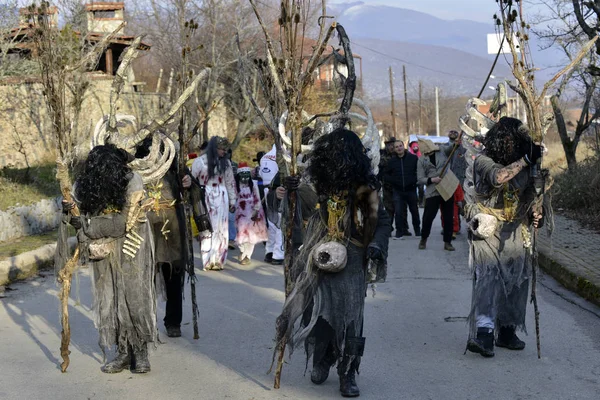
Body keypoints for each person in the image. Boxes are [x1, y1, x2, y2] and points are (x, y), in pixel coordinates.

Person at [273, 128, 391, 398]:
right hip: (316, 258)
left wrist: (375, 246)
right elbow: (292, 213)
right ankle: (322, 359)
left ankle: (348, 372)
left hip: (352, 260)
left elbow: (381, 222)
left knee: (350, 318)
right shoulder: (314, 188)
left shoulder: (365, 190)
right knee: (317, 314)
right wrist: (288, 193)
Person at [58, 144, 156, 373]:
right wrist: (69, 209)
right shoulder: (86, 183)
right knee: (109, 298)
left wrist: (89, 226)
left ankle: (140, 352)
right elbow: (77, 213)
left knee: (134, 296)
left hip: (132, 246)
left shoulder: (132, 180)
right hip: (103, 248)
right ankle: (122, 352)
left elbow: (124, 222)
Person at [465, 117, 545, 358]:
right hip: (487, 226)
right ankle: (485, 333)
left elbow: (531, 190)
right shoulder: (483, 160)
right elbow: (499, 177)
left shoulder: (525, 164)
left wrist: (535, 210)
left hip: (515, 227)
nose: (516, 144)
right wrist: (527, 159)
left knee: (518, 280)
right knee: (489, 278)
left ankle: (508, 330)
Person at [136, 136, 187, 339]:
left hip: (172, 228)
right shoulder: (137, 172)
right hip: (146, 228)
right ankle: (144, 322)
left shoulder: (175, 169)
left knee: (173, 276)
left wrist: (188, 183)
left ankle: (173, 321)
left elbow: (193, 192)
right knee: (143, 278)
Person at [191, 136, 237, 270]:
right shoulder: (199, 162)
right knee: (206, 227)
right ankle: (207, 260)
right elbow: (193, 181)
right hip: (205, 194)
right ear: (213, 148)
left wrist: (233, 200)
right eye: (221, 149)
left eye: (225, 149)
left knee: (221, 229)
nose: (223, 151)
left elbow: (230, 182)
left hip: (222, 196)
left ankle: (218, 259)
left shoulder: (226, 163)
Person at [417, 137, 457, 251]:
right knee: (428, 217)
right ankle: (423, 238)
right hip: (432, 191)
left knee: (448, 217)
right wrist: (432, 180)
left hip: (447, 188)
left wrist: (456, 144)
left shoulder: (442, 150)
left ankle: (447, 242)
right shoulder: (421, 160)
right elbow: (420, 179)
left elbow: (451, 147)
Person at [384, 139, 421, 239]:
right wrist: (394, 181)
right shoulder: (392, 161)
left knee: (414, 211)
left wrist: (414, 180)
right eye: (396, 147)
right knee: (398, 212)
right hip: (398, 190)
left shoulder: (413, 158)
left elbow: (419, 171)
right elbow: (385, 175)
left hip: (411, 189)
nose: (399, 148)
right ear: (394, 149)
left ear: (403, 146)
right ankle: (399, 233)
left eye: (400, 146)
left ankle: (417, 231)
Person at [234, 162, 268, 265]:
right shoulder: (235, 184)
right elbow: (233, 196)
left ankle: (247, 256)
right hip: (240, 212)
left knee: (251, 235)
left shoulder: (253, 184)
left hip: (252, 212)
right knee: (240, 232)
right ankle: (242, 249)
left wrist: (256, 209)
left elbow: (257, 197)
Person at [260, 144, 284, 265]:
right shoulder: (282, 156)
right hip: (277, 191)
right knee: (280, 223)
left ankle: (269, 251)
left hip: (266, 190)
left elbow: (261, 173)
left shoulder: (265, 157)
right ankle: (278, 254)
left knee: (271, 223)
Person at [409, 139, 425, 207]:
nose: (415, 147)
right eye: (414, 146)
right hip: (412, 175)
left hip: (420, 175)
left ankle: (421, 202)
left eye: (416, 146)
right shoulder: (409, 156)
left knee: (421, 189)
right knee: (412, 190)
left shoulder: (421, 155)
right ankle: (414, 202)